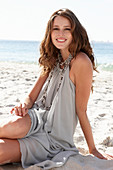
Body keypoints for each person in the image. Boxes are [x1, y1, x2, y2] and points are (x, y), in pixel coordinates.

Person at [0, 8, 113, 169]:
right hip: (36, 119)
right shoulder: (52, 58)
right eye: (56, 29)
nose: (61, 34)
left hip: (53, 139)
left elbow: (82, 110)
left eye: (67, 29)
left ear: (75, 33)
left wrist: (93, 149)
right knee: (14, 125)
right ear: (50, 33)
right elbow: (31, 97)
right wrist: (24, 104)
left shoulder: (81, 61)